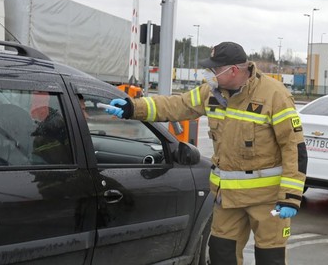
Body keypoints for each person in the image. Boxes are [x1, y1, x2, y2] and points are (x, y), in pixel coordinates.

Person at [105, 41, 307, 265]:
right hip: (227, 198)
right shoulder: (211, 92)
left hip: (267, 200)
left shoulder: (274, 96)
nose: (209, 74)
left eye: (214, 69)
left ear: (233, 70)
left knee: (270, 258)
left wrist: (290, 198)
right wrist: (134, 107)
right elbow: (176, 105)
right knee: (221, 254)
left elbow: (294, 148)